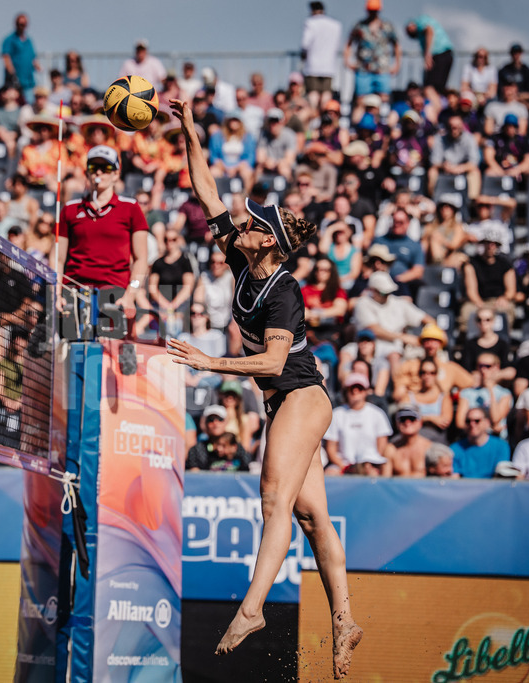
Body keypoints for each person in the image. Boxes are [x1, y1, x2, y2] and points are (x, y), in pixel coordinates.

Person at [166, 97, 362, 672]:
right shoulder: (239, 254)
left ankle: (253, 607)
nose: (241, 222)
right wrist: (191, 132)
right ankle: (345, 618)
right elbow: (207, 191)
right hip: (285, 403)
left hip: (300, 395)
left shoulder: (283, 289)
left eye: (253, 222)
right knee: (310, 516)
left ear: (268, 241)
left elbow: (275, 365)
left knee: (274, 500)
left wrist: (210, 362)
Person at [56, 145, 148, 324]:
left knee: (111, 351)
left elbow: (141, 259)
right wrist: (57, 293)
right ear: (86, 173)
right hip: (74, 293)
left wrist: (131, 294)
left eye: (105, 168)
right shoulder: (70, 209)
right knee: (71, 351)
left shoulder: (131, 208)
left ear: (116, 174)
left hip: (115, 296)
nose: (98, 172)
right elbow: (57, 259)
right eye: (93, 167)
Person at [325, 372, 393, 474]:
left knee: (383, 468)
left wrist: (370, 464)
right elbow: (331, 448)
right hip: (344, 464)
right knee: (330, 473)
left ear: (366, 391)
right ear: (346, 391)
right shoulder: (337, 414)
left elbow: (382, 445)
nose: (355, 391)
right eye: (352, 388)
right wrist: (344, 467)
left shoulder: (377, 414)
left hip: (370, 463)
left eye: (359, 388)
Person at [344, 0, 400, 99]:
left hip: (382, 69)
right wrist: (347, 61)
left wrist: (397, 64)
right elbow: (349, 43)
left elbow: (396, 45)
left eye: (375, 10)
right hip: (363, 69)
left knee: (383, 98)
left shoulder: (387, 26)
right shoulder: (359, 26)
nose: (373, 13)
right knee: (361, 99)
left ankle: (380, 115)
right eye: (371, 10)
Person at [300, 1, 342, 110]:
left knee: (313, 94)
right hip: (329, 66)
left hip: (312, 66)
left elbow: (305, 44)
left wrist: (303, 55)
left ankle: (314, 116)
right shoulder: (335, 25)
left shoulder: (310, 23)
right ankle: (324, 115)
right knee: (326, 94)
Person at [450, 406, 512, 478]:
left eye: (477, 421)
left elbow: (501, 476)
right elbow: (454, 478)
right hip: (463, 488)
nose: (472, 424)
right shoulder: (455, 448)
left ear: (487, 423)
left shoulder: (501, 446)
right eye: (468, 421)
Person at [405, 14, 454, 96]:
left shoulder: (420, 22)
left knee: (429, 88)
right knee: (437, 88)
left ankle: (435, 106)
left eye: (409, 30)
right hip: (445, 55)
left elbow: (429, 30)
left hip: (438, 55)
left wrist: (428, 55)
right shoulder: (422, 24)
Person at [1, 13, 40, 101]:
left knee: (29, 105)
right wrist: (12, 75)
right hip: (15, 83)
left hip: (29, 82)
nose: (22, 26)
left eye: (24, 24)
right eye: (20, 24)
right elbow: (6, 57)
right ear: (16, 24)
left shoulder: (28, 41)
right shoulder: (9, 40)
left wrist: (39, 67)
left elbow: (33, 57)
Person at [385, 404, 430, 476]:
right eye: (403, 419)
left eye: (412, 418)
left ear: (420, 422)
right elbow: (385, 480)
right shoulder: (391, 449)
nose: (407, 423)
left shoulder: (428, 448)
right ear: (397, 423)